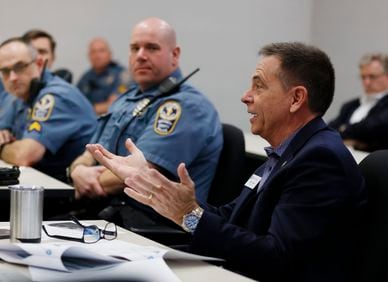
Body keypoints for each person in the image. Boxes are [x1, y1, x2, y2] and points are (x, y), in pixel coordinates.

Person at [87, 42, 367, 281]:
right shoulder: (288, 151)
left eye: (258, 86)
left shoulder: (320, 160)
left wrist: (190, 216)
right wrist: (156, 187)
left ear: (296, 99)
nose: (246, 97)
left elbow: (276, 258)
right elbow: (231, 219)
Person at [69, 18, 222, 208]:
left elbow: (139, 174)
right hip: (108, 212)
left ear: (174, 55)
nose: (140, 55)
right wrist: (77, 171)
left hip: (150, 225)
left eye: (151, 48)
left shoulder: (186, 106)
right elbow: (90, 152)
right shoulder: (126, 98)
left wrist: (87, 180)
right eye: (135, 48)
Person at [0, 37, 96, 181]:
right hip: (41, 182)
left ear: (40, 63)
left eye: (19, 67)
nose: (12, 77)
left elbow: (25, 156)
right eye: (5, 71)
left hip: (69, 190)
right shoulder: (23, 96)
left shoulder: (55, 96)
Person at [0, 29, 59, 137]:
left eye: (42, 51)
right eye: (33, 51)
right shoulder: (14, 92)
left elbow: (26, 152)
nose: (38, 56)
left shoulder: (55, 93)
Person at [329, 53, 388, 151]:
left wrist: (344, 129)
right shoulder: (349, 105)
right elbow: (329, 129)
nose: (366, 82)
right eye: (363, 77)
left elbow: (371, 128)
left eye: (372, 76)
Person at [77, 37, 132, 115]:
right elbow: (76, 103)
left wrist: (87, 109)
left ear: (110, 54)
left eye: (101, 51)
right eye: (93, 52)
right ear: (88, 56)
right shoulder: (86, 77)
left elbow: (115, 104)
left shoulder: (122, 75)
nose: (97, 55)